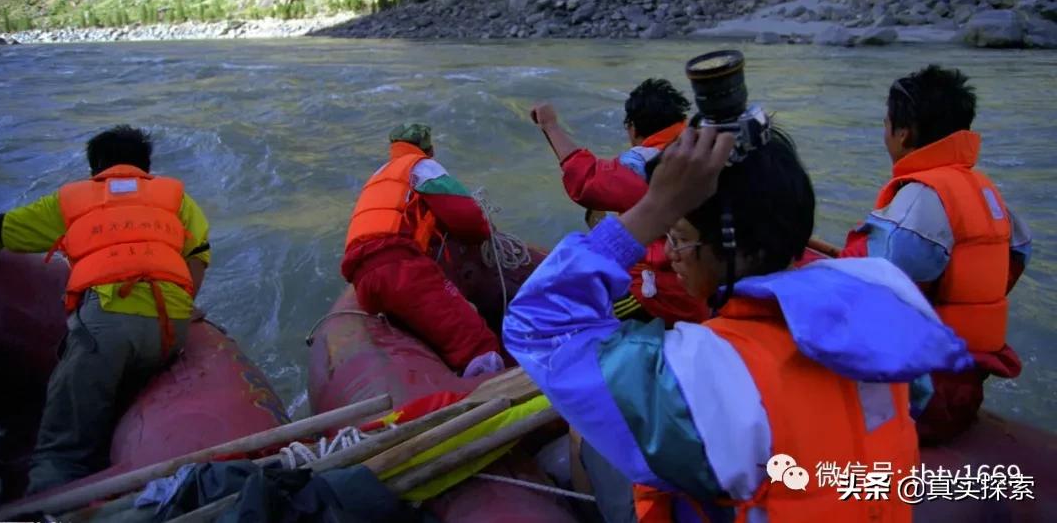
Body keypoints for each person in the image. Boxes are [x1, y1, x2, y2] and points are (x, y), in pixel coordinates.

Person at [504, 122, 973, 522]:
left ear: (732, 248)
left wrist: (657, 206)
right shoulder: (881, 299)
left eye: (678, 237)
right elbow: (915, 395)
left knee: (588, 436)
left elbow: (537, 323)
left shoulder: (706, 375)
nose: (670, 252)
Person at [0, 125, 211, 495]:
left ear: (95, 168)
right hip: (171, 330)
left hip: (107, 328)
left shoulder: (72, 199)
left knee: (61, 447)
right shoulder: (177, 199)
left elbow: (1, 230)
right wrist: (186, 305)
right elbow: (197, 255)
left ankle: (49, 503)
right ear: (146, 167)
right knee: (119, 371)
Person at [840, 64, 1032, 444]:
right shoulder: (988, 193)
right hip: (967, 388)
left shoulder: (918, 203)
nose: (885, 134)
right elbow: (1018, 253)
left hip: (921, 397)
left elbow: (867, 286)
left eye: (886, 124)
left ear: (904, 133)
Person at [530, 78, 709, 325]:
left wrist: (550, 126)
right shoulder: (705, 151)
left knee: (568, 300)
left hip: (662, 299)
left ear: (633, 129)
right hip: (703, 287)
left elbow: (585, 180)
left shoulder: (645, 167)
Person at [341, 123, 503, 377]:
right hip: (399, 267)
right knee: (478, 345)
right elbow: (467, 219)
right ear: (430, 149)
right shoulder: (422, 167)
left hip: (362, 280)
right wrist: (484, 231)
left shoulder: (379, 176)